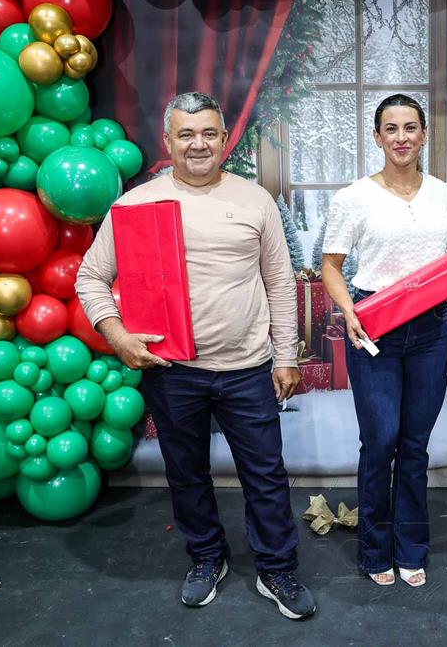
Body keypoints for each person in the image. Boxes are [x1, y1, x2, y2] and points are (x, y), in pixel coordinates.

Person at [75, 92, 316, 620]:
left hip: (248, 369)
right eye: (186, 134)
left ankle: (276, 568)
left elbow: (280, 283)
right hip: (172, 371)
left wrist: (285, 356)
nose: (198, 144)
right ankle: (207, 557)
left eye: (209, 133)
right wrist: (117, 335)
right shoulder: (136, 205)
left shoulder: (255, 200)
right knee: (186, 474)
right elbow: (90, 276)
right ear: (168, 141)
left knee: (266, 477)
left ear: (224, 139)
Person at [322, 94, 447, 588]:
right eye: (390, 129)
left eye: (410, 127)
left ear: (424, 135)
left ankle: (411, 547)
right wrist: (349, 311)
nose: (401, 137)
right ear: (377, 137)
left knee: (415, 444)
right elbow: (331, 267)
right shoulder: (353, 197)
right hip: (373, 326)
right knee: (380, 441)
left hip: (431, 329)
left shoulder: (446, 194)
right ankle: (375, 550)